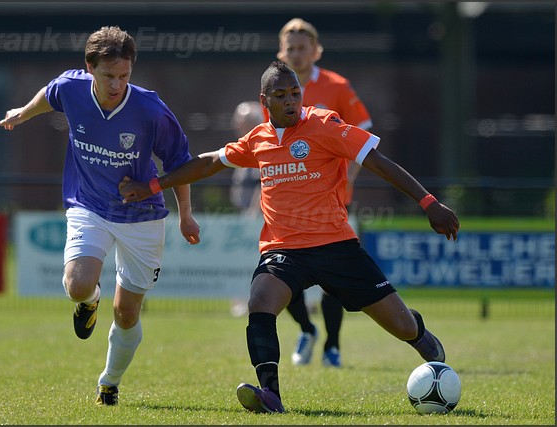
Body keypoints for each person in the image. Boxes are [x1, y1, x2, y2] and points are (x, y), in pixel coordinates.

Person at [118, 60, 460, 413]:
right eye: (280, 96)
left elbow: (378, 162)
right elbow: (207, 163)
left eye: (295, 93)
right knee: (260, 300)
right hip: (284, 251)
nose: (291, 101)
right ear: (264, 100)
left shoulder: (325, 125)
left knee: (401, 325)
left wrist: (429, 202)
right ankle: (270, 394)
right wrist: (151, 186)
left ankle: (418, 333)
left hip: (336, 246)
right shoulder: (258, 139)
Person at [0, 26, 200, 406]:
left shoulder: (150, 110)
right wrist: (23, 113)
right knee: (76, 283)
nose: (117, 85)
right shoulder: (71, 88)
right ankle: (88, 301)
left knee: (126, 313)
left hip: (141, 216)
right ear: (89, 67)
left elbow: (180, 164)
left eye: (124, 76)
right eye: (109, 76)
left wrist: (186, 215)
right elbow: (50, 96)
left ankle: (109, 380)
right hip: (89, 205)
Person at [275, 17, 375, 368]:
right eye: (291, 48)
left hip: (331, 203)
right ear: (281, 52)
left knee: (335, 280)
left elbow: (363, 132)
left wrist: (348, 177)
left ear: (316, 51)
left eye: (303, 48)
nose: (297, 54)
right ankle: (307, 329)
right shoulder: (274, 88)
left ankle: (333, 345)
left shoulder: (336, 86)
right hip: (288, 208)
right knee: (280, 275)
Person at [229, 101, 265, 218]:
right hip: (244, 215)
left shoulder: (263, 151)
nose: (235, 125)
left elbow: (263, 186)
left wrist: (253, 215)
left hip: (257, 218)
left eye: (240, 122)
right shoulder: (242, 150)